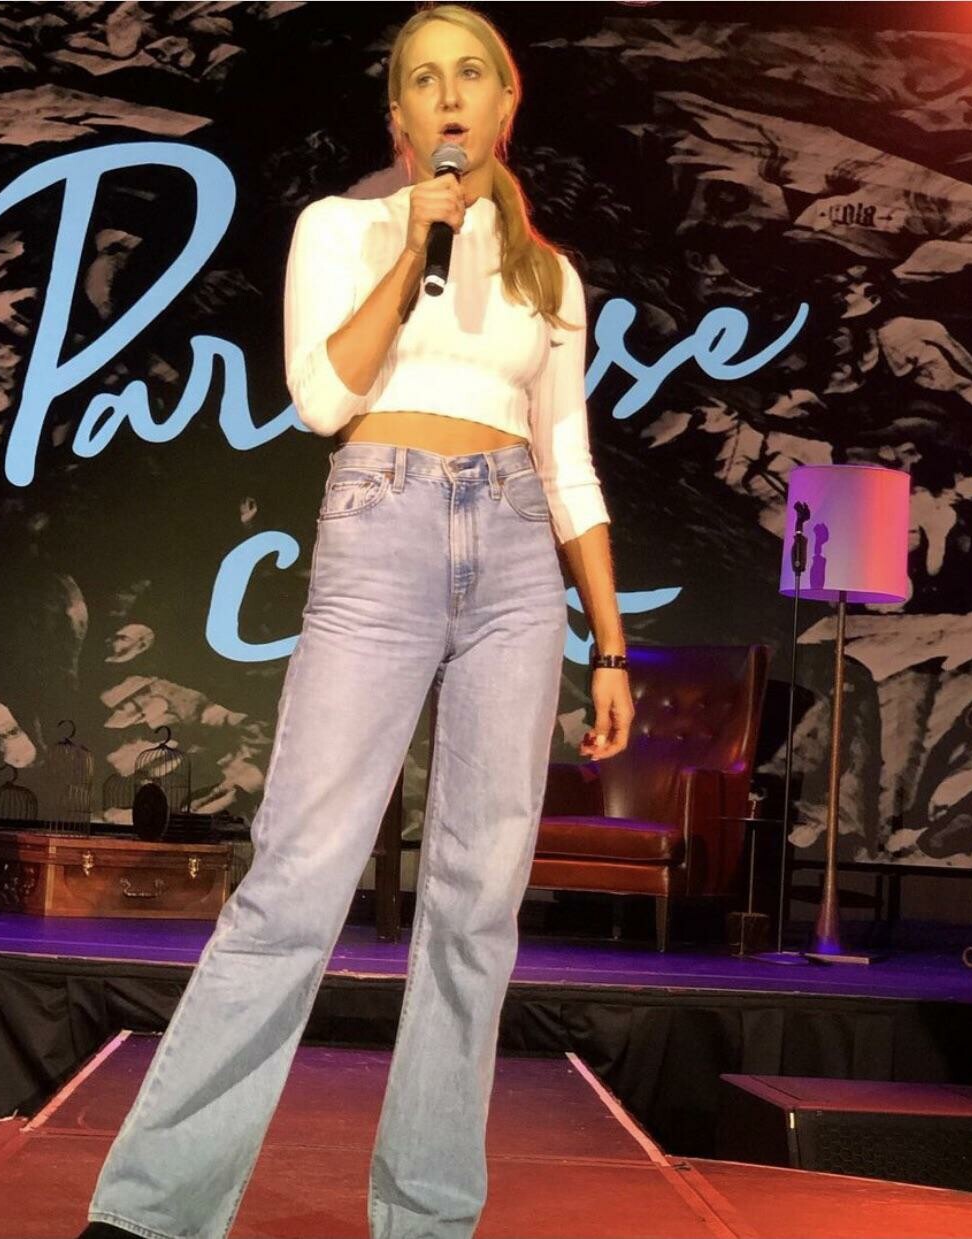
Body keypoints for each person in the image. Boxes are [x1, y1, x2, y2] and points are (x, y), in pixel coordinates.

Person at [82, 6, 633, 1238]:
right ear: (400, 119)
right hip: (382, 527)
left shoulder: (551, 279)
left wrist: (609, 643)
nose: (450, 94)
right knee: (295, 878)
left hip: (514, 558)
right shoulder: (340, 228)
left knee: (477, 904)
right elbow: (323, 398)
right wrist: (412, 244)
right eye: (424, 79)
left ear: (505, 104)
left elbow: (571, 467)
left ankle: (426, 1215)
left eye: (471, 73)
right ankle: (154, 1212)